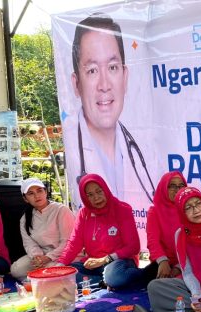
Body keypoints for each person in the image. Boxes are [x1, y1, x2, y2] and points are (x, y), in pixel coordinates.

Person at [66, 14, 155, 208]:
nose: (104, 85)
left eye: (113, 67)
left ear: (125, 77)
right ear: (76, 84)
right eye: (92, 70)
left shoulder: (147, 147)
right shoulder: (70, 146)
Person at [57, 174, 142, 289]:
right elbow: (74, 243)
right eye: (90, 195)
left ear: (105, 190)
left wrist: (105, 259)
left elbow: (133, 247)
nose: (96, 197)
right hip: (93, 265)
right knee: (66, 273)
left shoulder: (122, 209)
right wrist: (60, 265)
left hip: (118, 263)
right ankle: (103, 282)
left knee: (114, 276)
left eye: (99, 191)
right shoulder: (84, 214)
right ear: (85, 198)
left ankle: (115, 279)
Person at [10, 178, 75, 280]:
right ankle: (42, 277)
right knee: (16, 269)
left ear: (45, 192)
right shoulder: (25, 218)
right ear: (25, 199)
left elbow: (68, 242)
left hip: (63, 255)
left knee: (50, 270)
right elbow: (29, 243)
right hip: (43, 256)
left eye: (39, 191)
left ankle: (42, 277)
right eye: (31, 193)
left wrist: (48, 257)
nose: (37, 196)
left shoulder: (61, 210)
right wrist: (37, 258)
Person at [143, 172, 186, 281]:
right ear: (164, 188)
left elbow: (194, 245)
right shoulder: (155, 211)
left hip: (188, 263)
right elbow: (153, 241)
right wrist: (162, 261)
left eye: (181, 185)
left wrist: (179, 267)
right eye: (172, 186)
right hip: (163, 262)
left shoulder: (189, 208)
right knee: (144, 279)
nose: (177, 189)